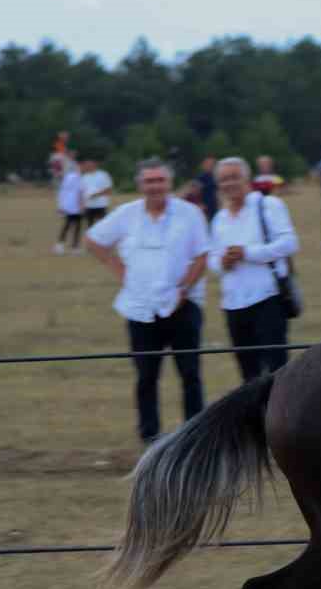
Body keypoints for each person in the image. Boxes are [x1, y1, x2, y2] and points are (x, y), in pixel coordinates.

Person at [84, 158, 211, 447]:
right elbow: (93, 240)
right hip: (140, 309)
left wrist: (184, 289)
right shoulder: (126, 214)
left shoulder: (190, 214)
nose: (155, 186)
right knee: (146, 377)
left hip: (183, 307)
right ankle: (150, 438)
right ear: (140, 184)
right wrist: (121, 272)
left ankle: (195, 437)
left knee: (190, 373)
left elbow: (202, 256)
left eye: (160, 181)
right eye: (149, 181)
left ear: (169, 183)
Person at [209, 156, 299, 381]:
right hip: (233, 305)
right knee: (248, 376)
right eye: (223, 179)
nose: (229, 183)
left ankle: (279, 416)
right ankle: (255, 417)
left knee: (277, 372)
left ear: (246, 178)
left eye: (234, 177)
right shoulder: (219, 218)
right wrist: (223, 262)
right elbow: (212, 260)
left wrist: (247, 253)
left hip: (267, 299)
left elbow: (289, 243)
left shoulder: (268, 205)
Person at [54, 155, 85, 253]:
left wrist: (60, 206)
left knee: (67, 226)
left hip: (68, 206)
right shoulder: (78, 178)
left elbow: (61, 193)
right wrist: (81, 205)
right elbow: (80, 192)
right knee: (77, 227)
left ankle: (60, 246)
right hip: (75, 206)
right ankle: (75, 247)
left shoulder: (67, 178)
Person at [80, 156, 113, 227]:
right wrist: (82, 205)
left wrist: (96, 194)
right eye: (86, 165)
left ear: (94, 165)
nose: (87, 166)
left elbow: (109, 190)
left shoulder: (103, 175)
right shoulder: (84, 177)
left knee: (103, 225)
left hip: (101, 205)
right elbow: (82, 192)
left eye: (89, 165)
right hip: (89, 205)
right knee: (90, 226)